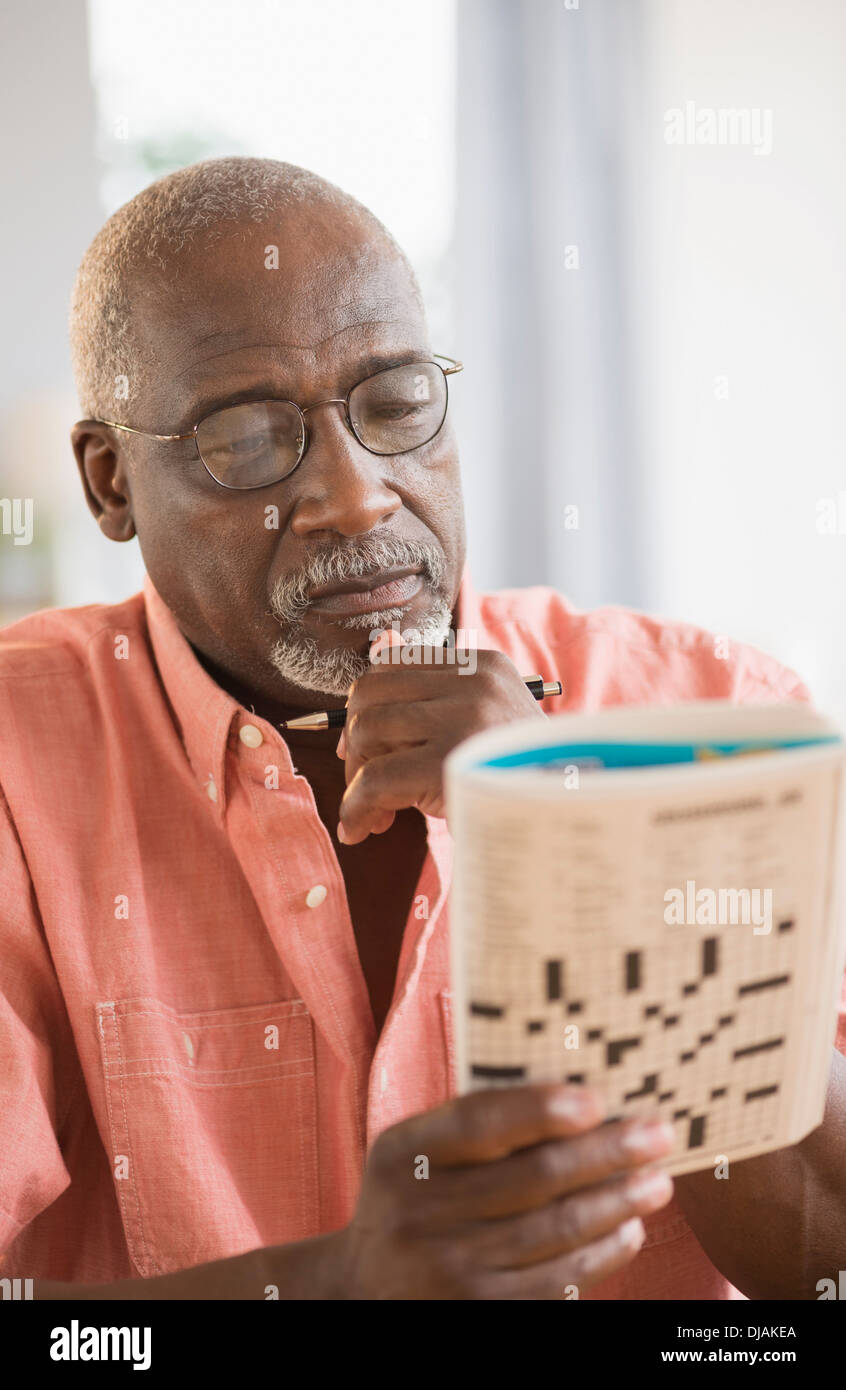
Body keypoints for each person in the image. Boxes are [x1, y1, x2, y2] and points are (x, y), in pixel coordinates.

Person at [1, 157, 843, 1300]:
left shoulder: (715, 716)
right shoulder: (20, 759)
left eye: (395, 403)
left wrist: (582, 849)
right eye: (247, 437)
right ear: (110, 483)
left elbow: (822, 1259)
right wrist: (340, 1285)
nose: (357, 496)